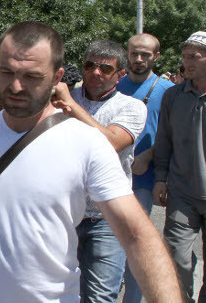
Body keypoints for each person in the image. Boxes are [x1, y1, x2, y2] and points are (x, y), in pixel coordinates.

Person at [0, 21, 181, 302]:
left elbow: (137, 236)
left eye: (32, 76)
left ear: (56, 77)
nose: (15, 86)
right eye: (6, 72)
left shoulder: (87, 142)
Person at [50, 40, 147, 302]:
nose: (96, 72)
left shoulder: (132, 107)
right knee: (57, 292)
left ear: (120, 75)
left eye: (105, 68)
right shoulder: (57, 101)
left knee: (100, 297)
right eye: (90, 65)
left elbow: (112, 143)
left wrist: (70, 103)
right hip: (64, 214)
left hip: (107, 219)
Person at [153, 31, 206, 302]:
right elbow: (163, 140)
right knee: (176, 259)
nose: (187, 62)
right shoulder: (174, 95)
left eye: (194, 57)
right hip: (181, 193)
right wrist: (160, 178)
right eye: (185, 57)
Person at [116, 34, 174, 303]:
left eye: (146, 55)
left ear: (156, 56)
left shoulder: (166, 91)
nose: (139, 59)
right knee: (109, 241)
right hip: (111, 176)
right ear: (127, 53)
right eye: (134, 53)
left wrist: (149, 156)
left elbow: (169, 133)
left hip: (142, 178)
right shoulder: (114, 84)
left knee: (135, 243)